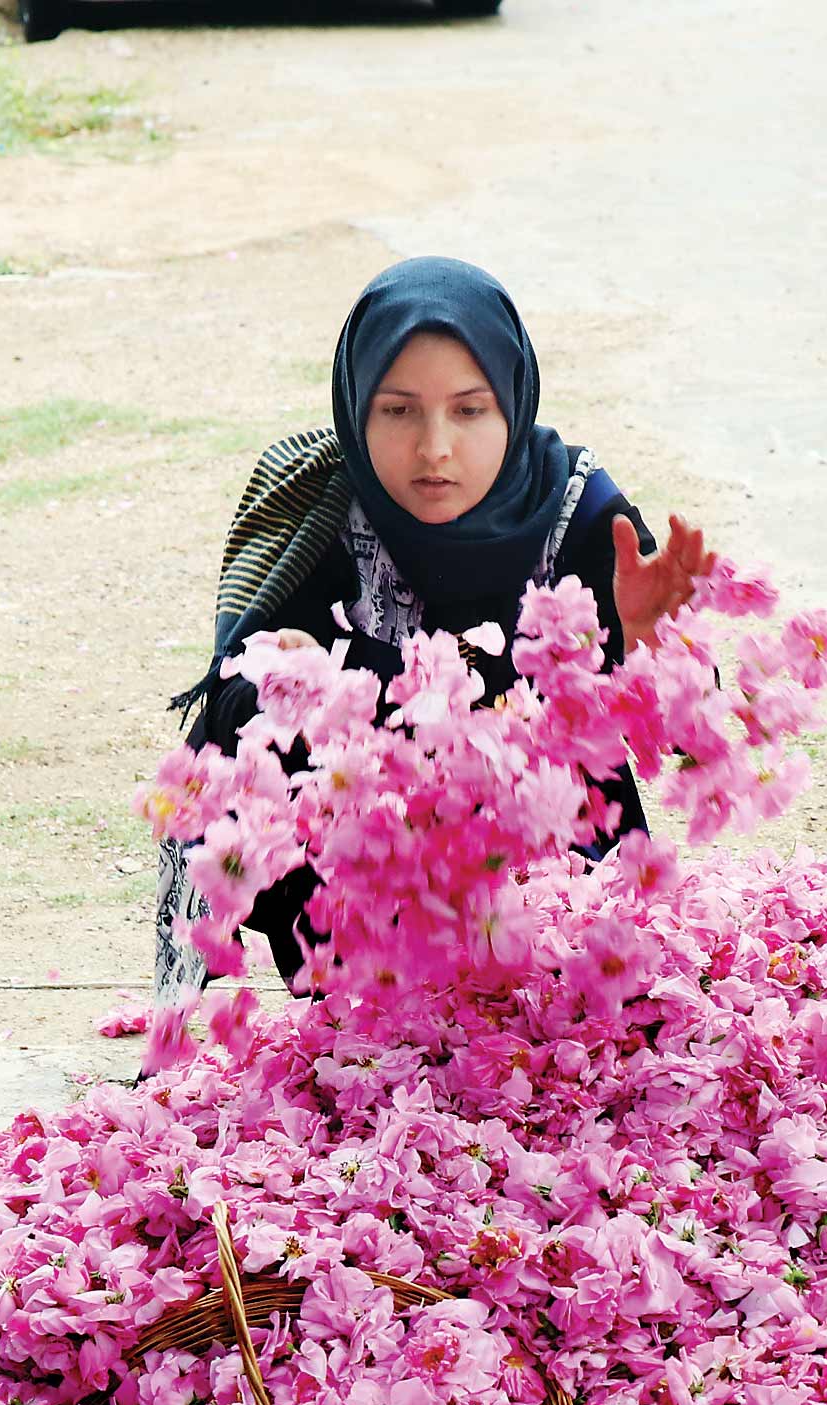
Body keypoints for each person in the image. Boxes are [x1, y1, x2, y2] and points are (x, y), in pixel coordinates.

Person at [153, 256, 719, 997]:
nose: (435, 448)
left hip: (549, 869)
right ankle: (356, 996)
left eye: (470, 409)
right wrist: (281, 679)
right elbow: (227, 714)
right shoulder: (316, 503)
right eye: (397, 410)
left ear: (513, 401)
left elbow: (688, 733)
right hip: (362, 882)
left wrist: (653, 644)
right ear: (356, 406)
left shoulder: (578, 506)